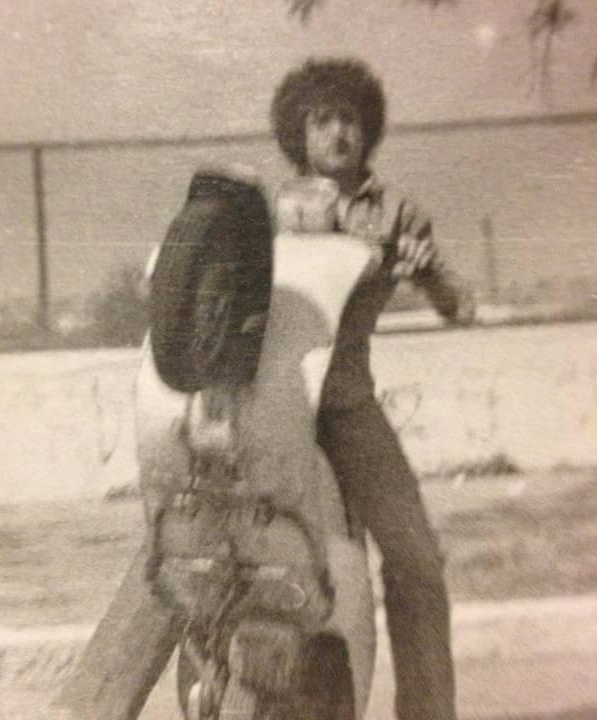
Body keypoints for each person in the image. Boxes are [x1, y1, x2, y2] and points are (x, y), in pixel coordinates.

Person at [271, 56, 475, 720]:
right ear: (298, 136)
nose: (337, 134)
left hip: (350, 410)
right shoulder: (274, 208)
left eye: (349, 120)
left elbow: (460, 306)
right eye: (321, 120)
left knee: (417, 562)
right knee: (278, 570)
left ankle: (429, 711)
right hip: (278, 408)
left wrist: (428, 275)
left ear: (368, 130)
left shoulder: (397, 212)